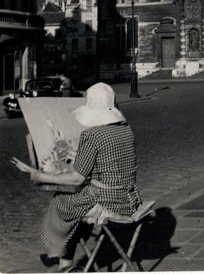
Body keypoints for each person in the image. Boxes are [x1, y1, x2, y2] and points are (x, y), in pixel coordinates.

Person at [12, 83, 144, 272]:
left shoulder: (92, 135)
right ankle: (65, 258)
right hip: (128, 199)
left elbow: (76, 180)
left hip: (105, 202)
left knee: (60, 203)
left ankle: (63, 261)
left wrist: (40, 175)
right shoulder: (125, 129)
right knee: (76, 211)